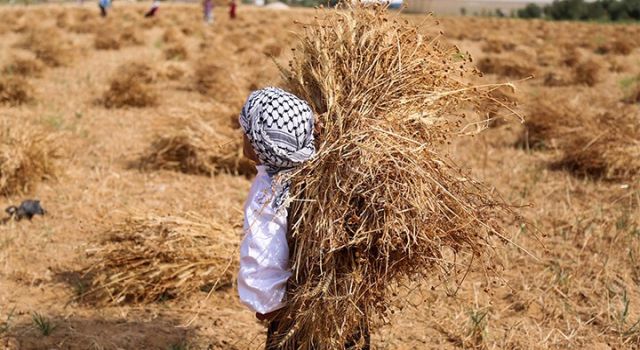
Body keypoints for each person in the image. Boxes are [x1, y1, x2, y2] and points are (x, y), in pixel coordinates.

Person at [236, 87, 316, 349]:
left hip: (295, 319)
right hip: (344, 307)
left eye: (246, 132)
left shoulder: (269, 194)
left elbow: (262, 254)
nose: (242, 136)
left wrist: (267, 305)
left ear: (259, 146)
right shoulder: (320, 175)